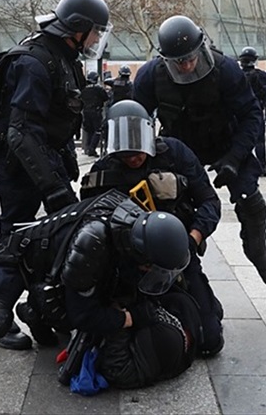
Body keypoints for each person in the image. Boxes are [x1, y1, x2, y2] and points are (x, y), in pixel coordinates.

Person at [0, 191, 192, 414]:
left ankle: (37, 311)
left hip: (52, 270)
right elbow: (84, 316)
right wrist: (127, 319)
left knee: (72, 310)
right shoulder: (94, 241)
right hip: (14, 261)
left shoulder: (136, 227)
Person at [133, 15, 266, 287]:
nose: (187, 66)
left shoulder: (226, 70)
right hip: (179, 146)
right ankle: (179, 260)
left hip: (226, 142)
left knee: (251, 202)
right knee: (167, 203)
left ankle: (257, 251)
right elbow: (135, 119)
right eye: (179, 62)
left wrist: (235, 158)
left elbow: (251, 115)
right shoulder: (151, 76)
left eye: (191, 58)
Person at [80, 100, 225, 355]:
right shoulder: (103, 172)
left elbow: (210, 202)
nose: (133, 159)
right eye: (126, 154)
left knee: (209, 341)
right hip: (129, 266)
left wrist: (191, 240)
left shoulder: (175, 154)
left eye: (138, 152)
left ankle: (203, 303)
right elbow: (91, 225)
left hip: (179, 255)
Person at [0, 0, 111, 240]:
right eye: (96, 31)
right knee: (15, 235)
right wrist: (53, 187)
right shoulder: (35, 62)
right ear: (78, 28)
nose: (97, 39)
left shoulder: (64, 58)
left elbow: (55, 113)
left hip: (41, 157)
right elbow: (21, 132)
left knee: (65, 229)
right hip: (16, 166)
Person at [238, 47, 266, 177]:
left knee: (244, 139)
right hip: (256, 111)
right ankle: (261, 167)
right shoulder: (258, 74)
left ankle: (245, 167)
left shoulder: (238, 75)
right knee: (259, 141)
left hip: (241, 112)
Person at [79, 71, 108, 157]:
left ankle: (88, 148)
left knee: (89, 130)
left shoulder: (83, 88)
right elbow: (105, 97)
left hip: (85, 111)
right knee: (98, 131)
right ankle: (92, 149)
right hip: (96, 111)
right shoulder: (98, 88)